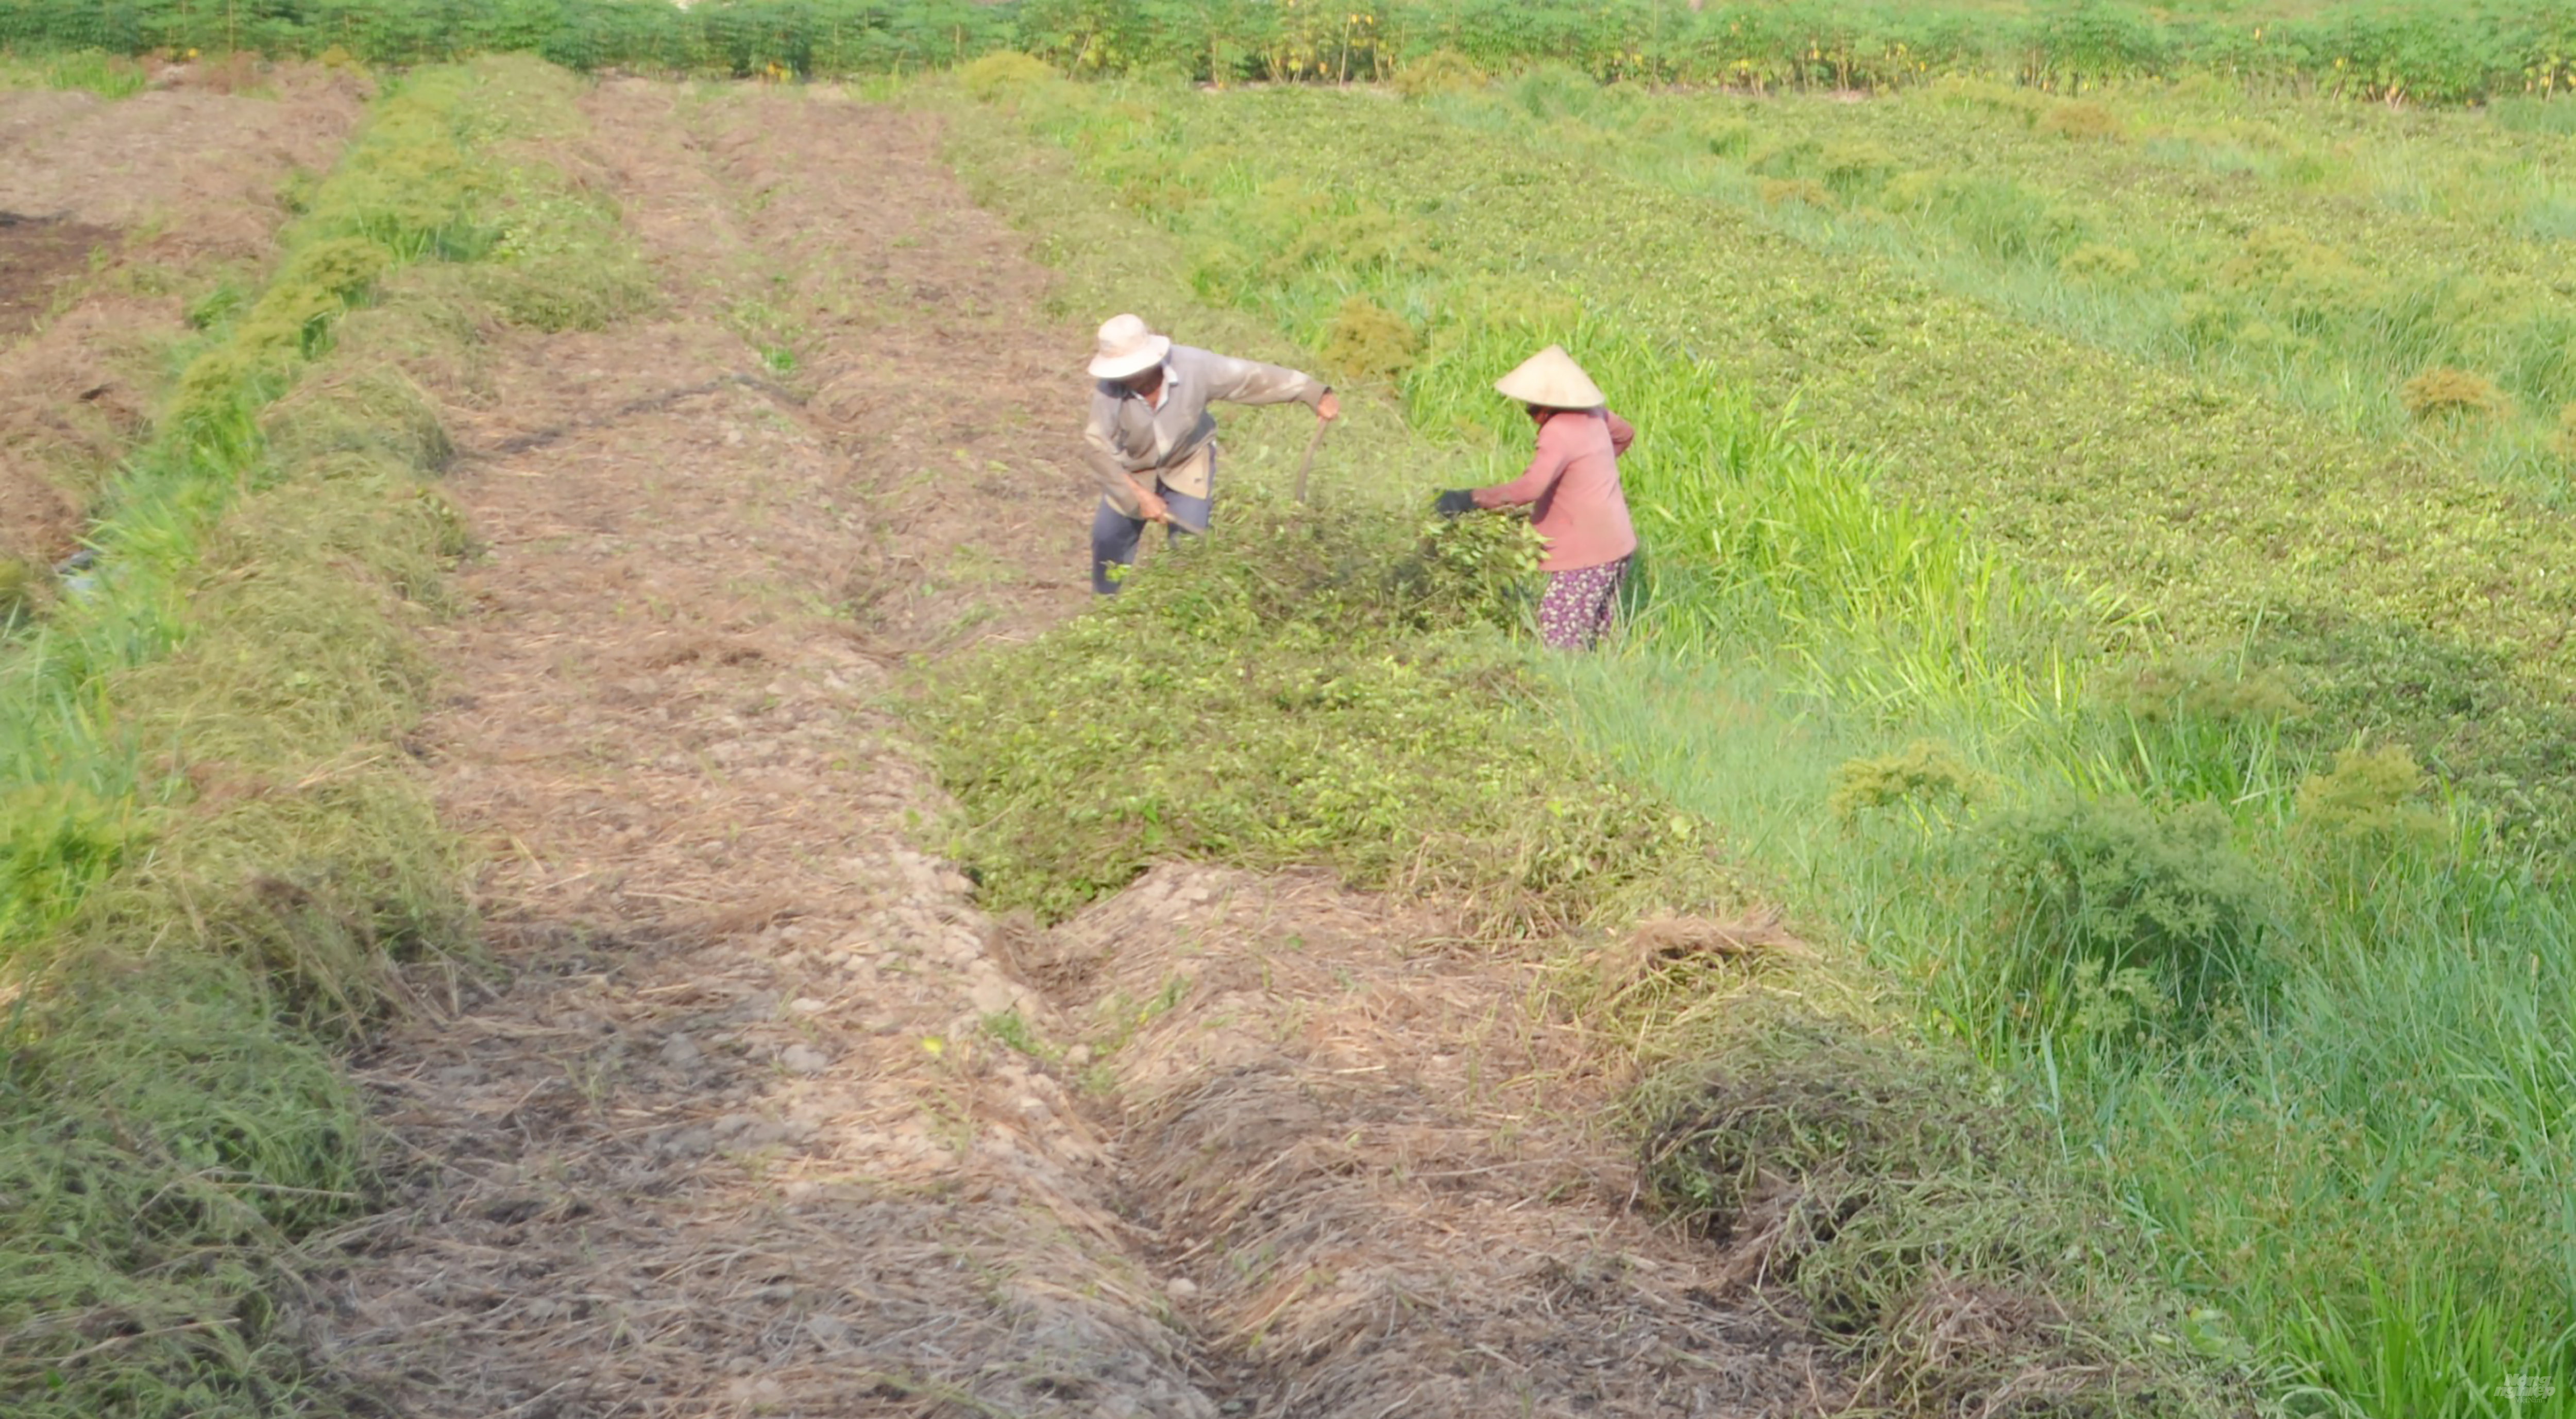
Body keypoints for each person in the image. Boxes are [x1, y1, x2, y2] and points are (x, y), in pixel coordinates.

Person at [1080, 313, 1341, 595]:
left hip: (1188, 461)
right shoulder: (1109, 389)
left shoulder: (1194, 366)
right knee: (1108, 539)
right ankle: (1107, 606)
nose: (1127, 377)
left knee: (1189, 545)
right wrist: (1137, 495)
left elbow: (1250, 377)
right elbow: (1097, 448)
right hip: (1134, 469)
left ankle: (1180, 607)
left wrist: (1312, 392)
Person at [1434, 345, 1638, 650]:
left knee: (1559, 634)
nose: (1531, 416)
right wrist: (1588, 477)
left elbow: (1530, 488)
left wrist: (1471, 498)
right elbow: (1625, 435)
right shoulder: (1596, 414)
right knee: (1595, 636)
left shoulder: (1557, 432)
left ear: (1549, 406)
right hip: (1618, 544)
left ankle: (1565, 695)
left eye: (1533, 409)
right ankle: (1595, 689)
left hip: (1587, 552)